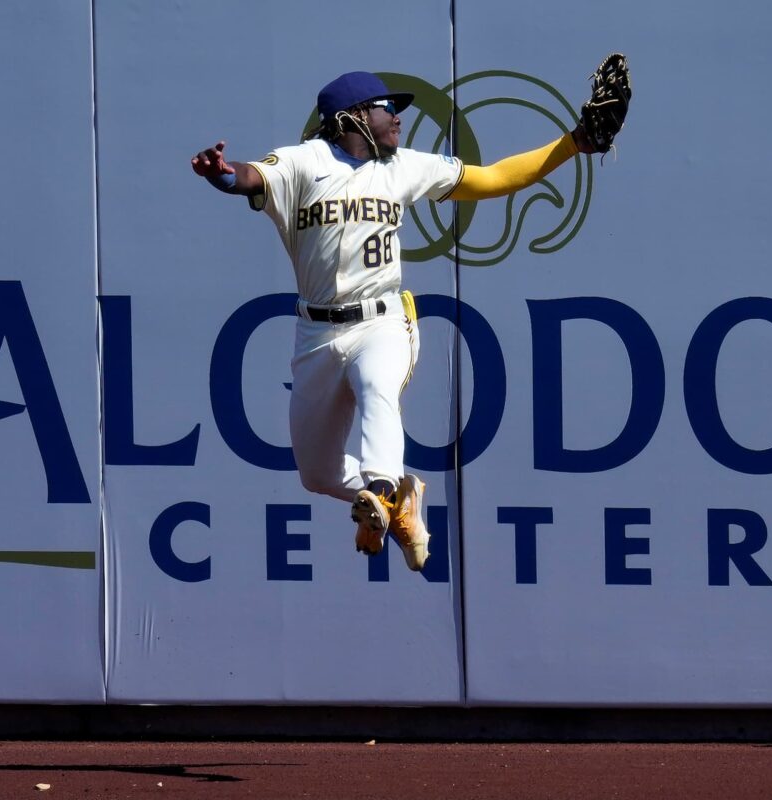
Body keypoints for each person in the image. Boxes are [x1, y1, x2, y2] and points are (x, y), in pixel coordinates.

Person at [191, 70, 597, 572]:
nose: (398, 118)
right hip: (316, 333)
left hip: (382, 321)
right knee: (316, 475)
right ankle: (399, 502)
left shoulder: (404, 167)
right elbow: (248, 177)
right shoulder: (304, 162)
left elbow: (494, 178)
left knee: (377, 388)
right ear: (352, 117)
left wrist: (574, 143)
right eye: (388, 108)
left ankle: (382, 490)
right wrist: (221, 174)